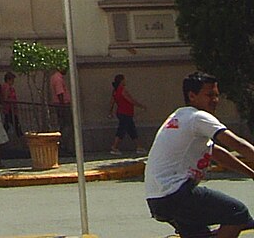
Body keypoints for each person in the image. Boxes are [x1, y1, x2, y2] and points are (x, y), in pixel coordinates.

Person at [145, 71, 254, 238]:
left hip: (158, 199)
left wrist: (251, 173)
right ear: (192, 96)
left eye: (217, 95)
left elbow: (218, 153)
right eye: (209, 95)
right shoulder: (198, 117)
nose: (215, 100)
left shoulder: (181, 116)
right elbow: (237, 144)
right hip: (176, 194)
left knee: (198, 233)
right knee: (238, 214)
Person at [109, 73, 145, 155]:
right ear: (121, 81)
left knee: (131, 130)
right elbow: (130, 100)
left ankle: (139, 147)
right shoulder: (122, 90)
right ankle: (114, 147)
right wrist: (141, 106)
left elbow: (111, 102)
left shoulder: (115, 91)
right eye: (124, 79)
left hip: (122, 113)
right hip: (125, 113)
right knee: (122, 130)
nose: (125, 81)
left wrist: (110, 112)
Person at [51, 66, 73, 150]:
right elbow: (60, 93)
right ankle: (64, 145)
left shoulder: (55, 77)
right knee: (67, 125)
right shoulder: (58, 79)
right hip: (62, 105)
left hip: (60, 104)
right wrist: (63, 106)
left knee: (63, 125)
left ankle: (63, 145)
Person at [0, 70, 22, 138]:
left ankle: (3, 135)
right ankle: (19, 135)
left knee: (8, 122)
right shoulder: (7, 87)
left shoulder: (5, 86)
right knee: (14, 122)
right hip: (10, 108)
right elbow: (6, 97)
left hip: (9, 108)